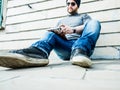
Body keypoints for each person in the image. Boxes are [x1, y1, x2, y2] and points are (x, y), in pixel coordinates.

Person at [0, 0, 101, 69]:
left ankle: (79, 53)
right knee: (50, 33)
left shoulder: (84, 16)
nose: (70, 6)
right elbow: (57, 37)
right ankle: (39, 53)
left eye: (73, 4)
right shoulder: (61, 20)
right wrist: (61, 34)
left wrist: (73, 30)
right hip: (65, 48)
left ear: (77, 5)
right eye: (68, 3)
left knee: (95, 22)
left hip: (80, 47)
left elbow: (89, 27)